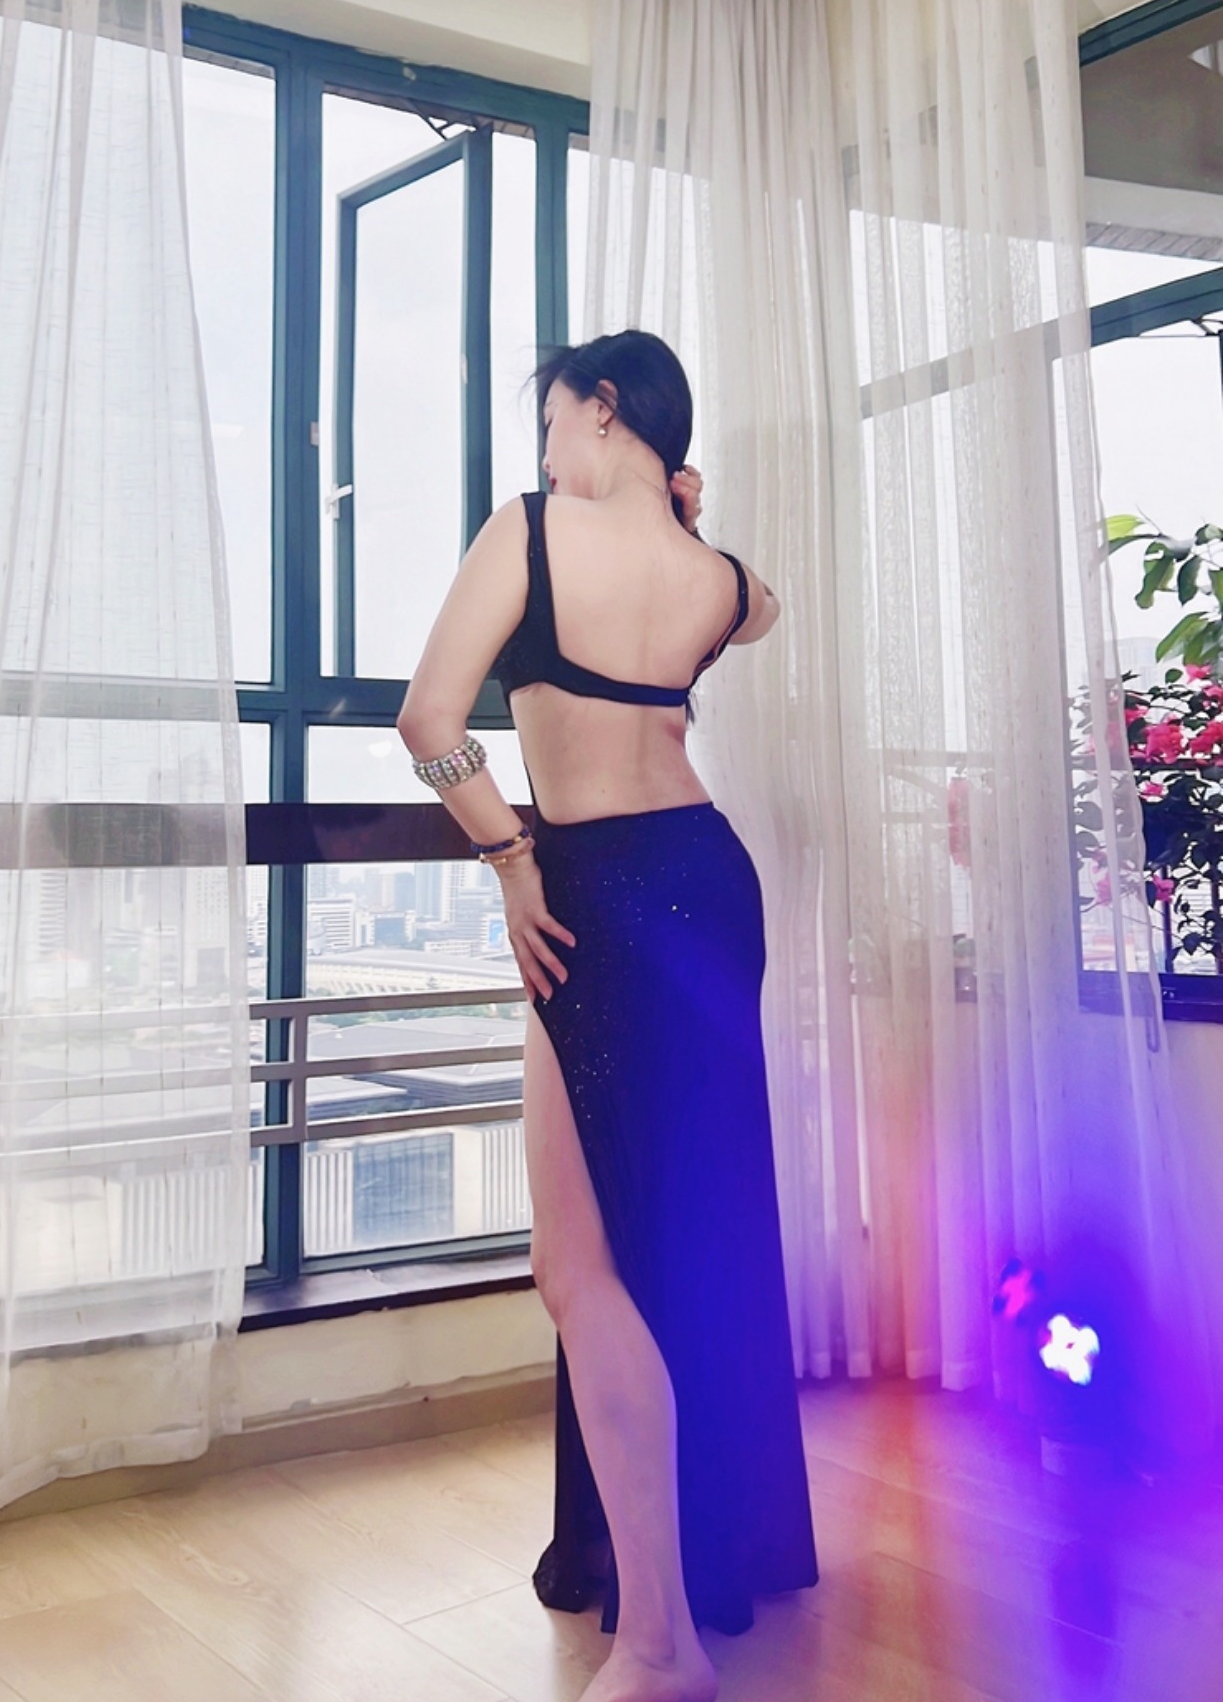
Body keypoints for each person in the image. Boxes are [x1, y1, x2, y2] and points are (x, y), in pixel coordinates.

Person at [398, 330, 817, 1702]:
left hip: (590, 894)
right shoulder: (714, 575)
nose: (545, 451)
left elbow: (428, 721)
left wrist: (508, 856)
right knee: (679, 1244)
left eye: (552, 421)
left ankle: (658, 1645)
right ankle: (686, 1598)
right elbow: (769, 610)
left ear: (603, 407)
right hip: (707, 882)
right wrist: (686, 518)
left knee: (580, 1270)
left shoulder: (530, 529)